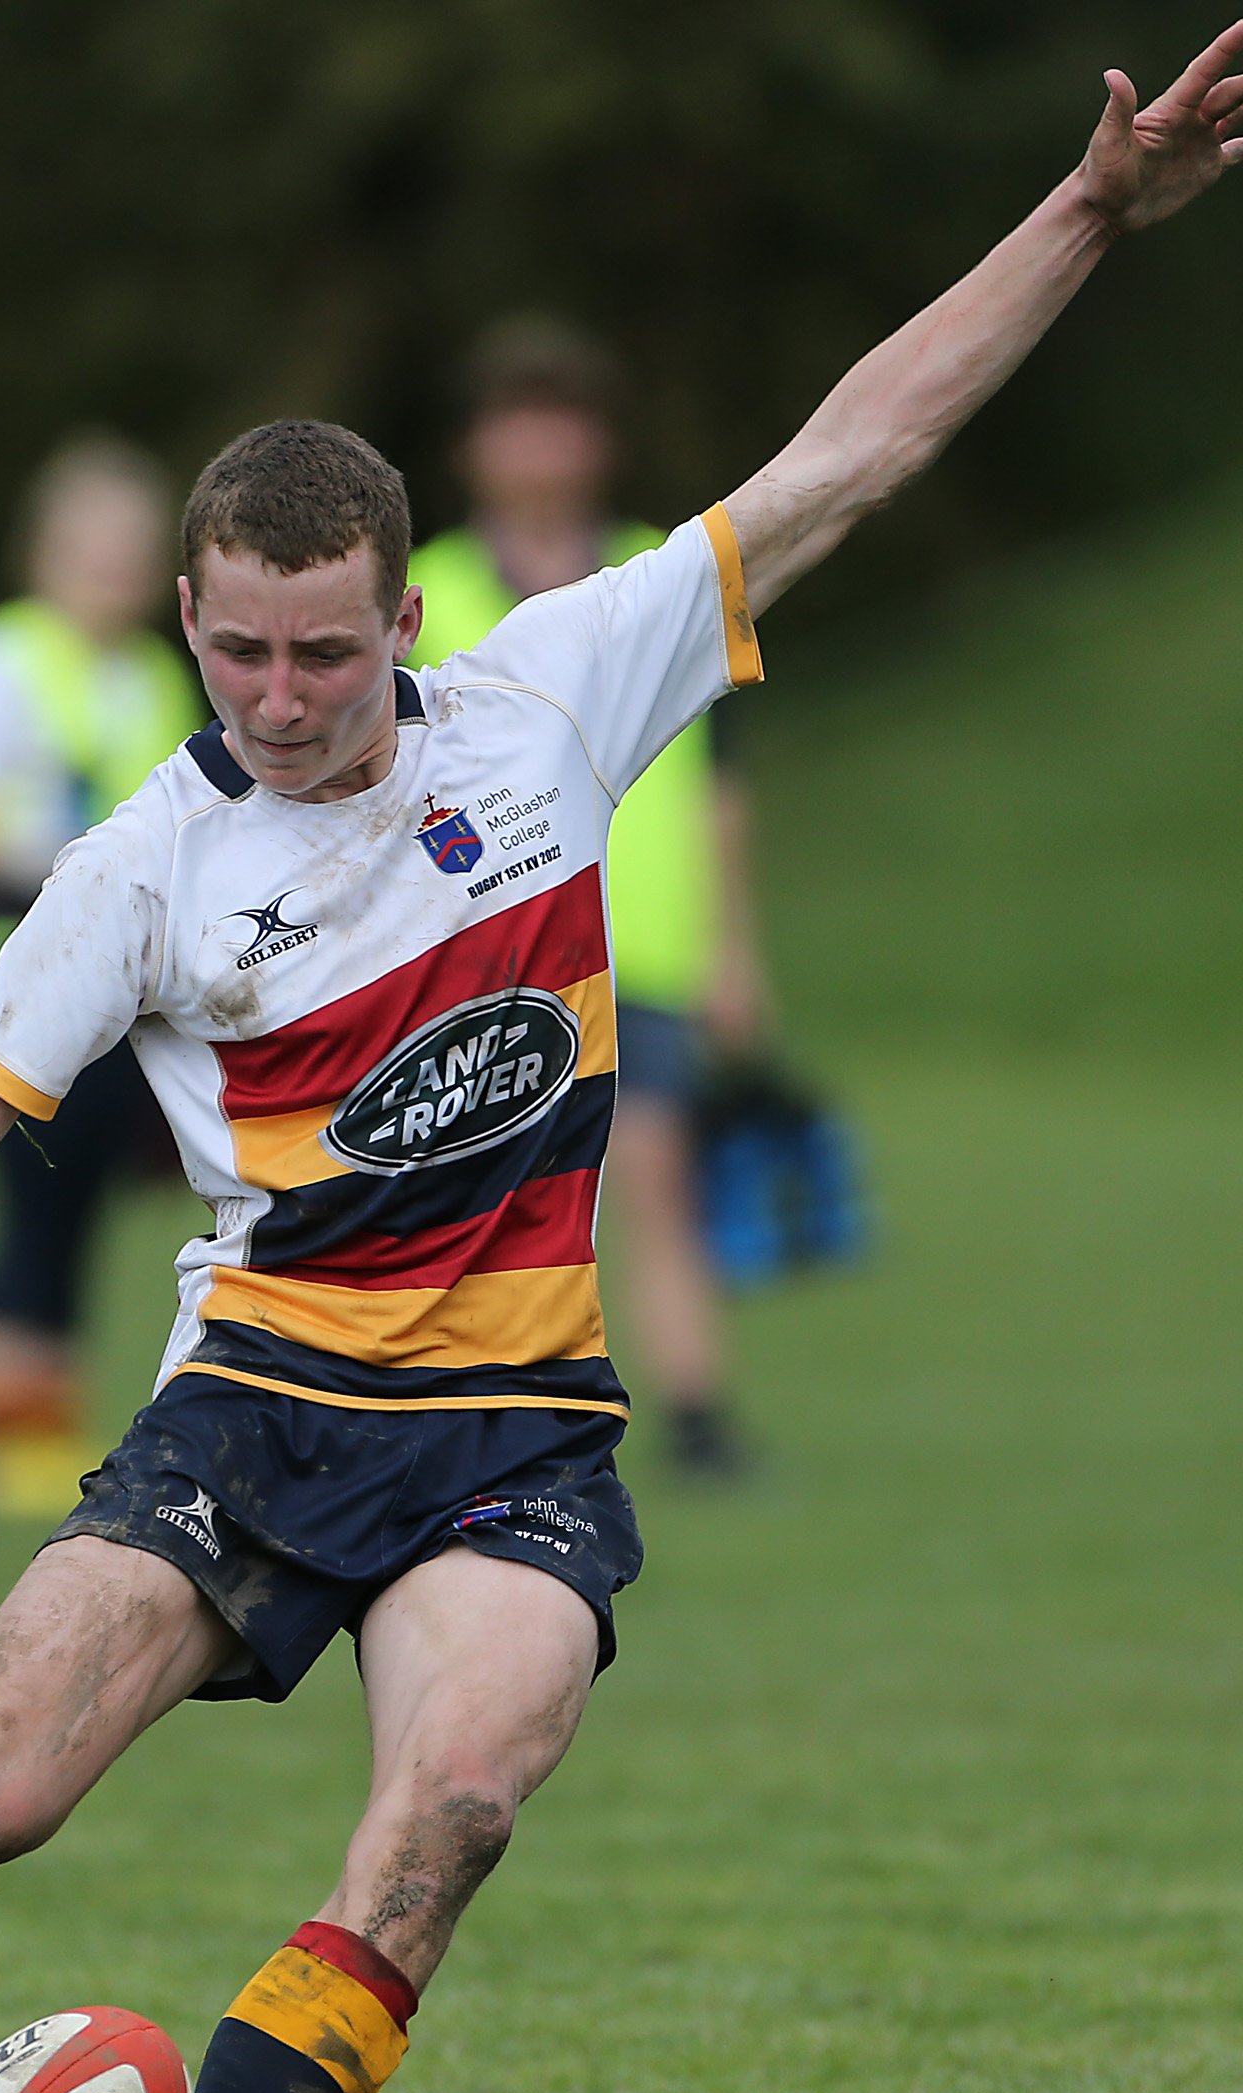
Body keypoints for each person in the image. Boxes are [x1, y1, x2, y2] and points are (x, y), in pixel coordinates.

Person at [0, 25, 1243, 2093]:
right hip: (256, 1405)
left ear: (404, 623)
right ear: (185, 618)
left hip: (519, 1437)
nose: (278, 695)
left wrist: (1082, 215)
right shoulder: (133, 874)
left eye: (324, 652)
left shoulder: (554, 699)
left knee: (451, 1799)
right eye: (237, 648)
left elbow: (857, 447)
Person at [410, 321, 772, 1480]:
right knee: (471, 1192)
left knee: (659, 1180)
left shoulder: (654, 573)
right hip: (473, 941)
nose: (540, 443)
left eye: (561, 415)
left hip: (640, 937)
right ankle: (455, 1403)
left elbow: (720, 783)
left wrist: (733, 947)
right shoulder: (433, 588)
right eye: (516, 417)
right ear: (475, 446)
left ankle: (700, 1413)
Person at [0, 437, 205, 1516]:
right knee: (29, 1196)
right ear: (45, 550)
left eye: (131, 548)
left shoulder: (158, 673)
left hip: (126, 987)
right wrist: (54, 858)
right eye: (93, 546)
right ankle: (7, 1439)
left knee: (82, 1202)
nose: (112, 569)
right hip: (4, 967)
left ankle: (43, 1426)